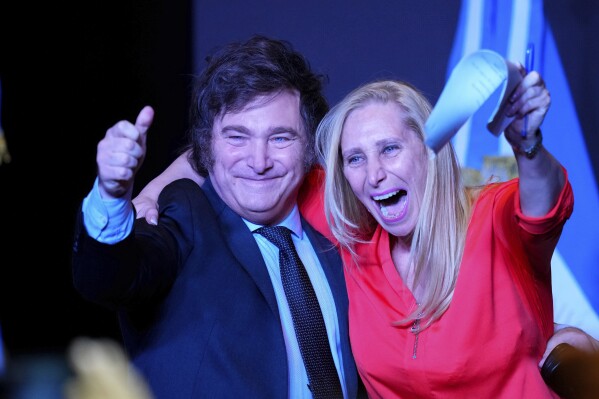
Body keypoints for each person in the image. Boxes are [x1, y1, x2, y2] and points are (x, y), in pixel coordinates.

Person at [132, 64, 599, 396]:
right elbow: (235, 157)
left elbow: (544, 202)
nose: (372, 173)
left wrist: (529, 144)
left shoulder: (492, 219)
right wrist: (151, 192)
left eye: (390, 149)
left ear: (430, 149)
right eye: (355, 158)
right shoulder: (350, 237)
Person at [71, 35, 365, 398]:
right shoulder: (185, 217)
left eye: (280, 139)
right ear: (206, 146)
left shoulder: (336, 247)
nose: (259, 162)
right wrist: (112, 195)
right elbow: (110, 278)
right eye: (237, 137)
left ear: (310, 148)